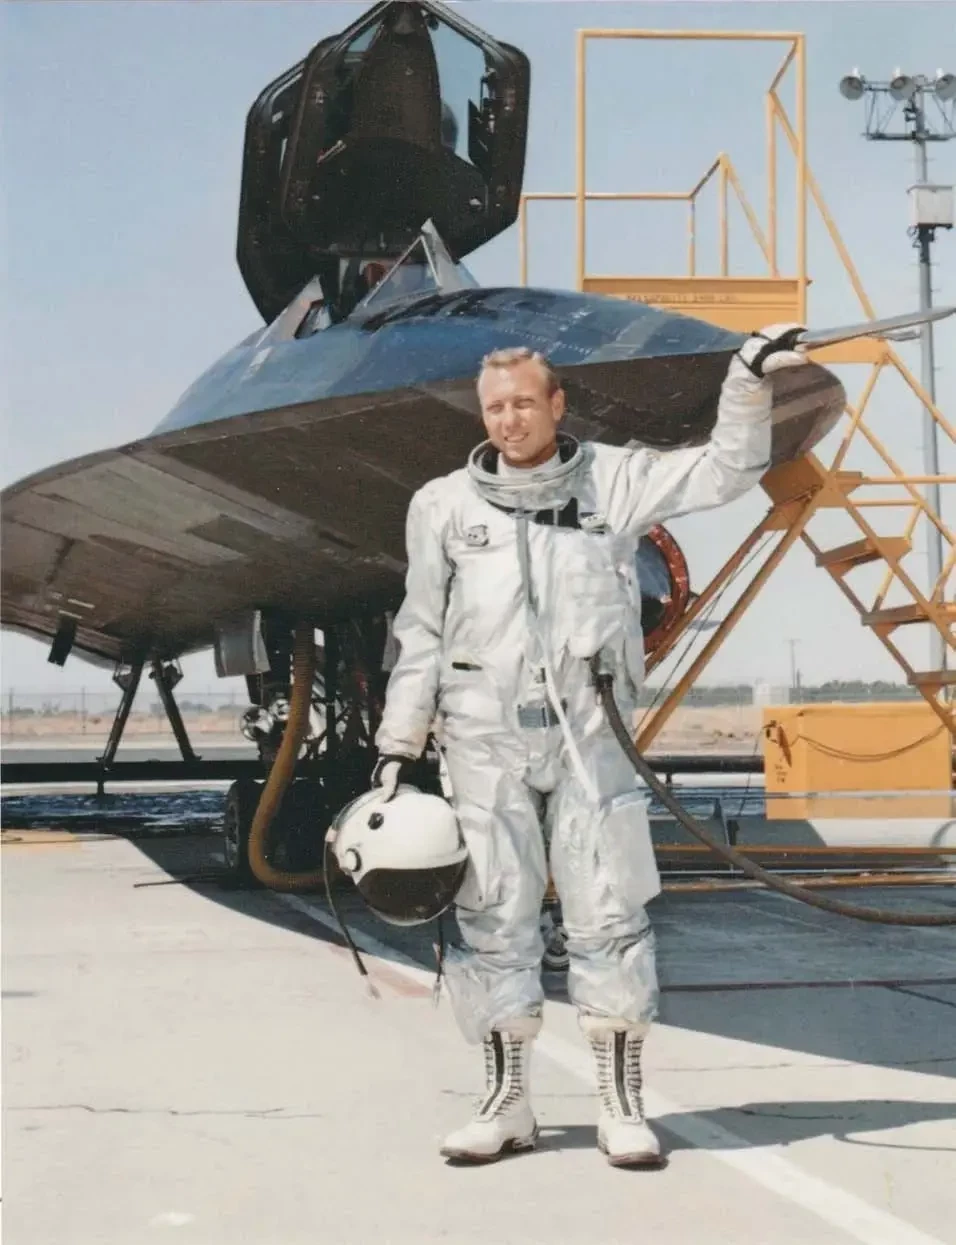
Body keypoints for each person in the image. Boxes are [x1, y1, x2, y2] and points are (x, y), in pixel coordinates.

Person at [371, 328, 809, 1166]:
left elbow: (726, 468)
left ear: (557, 404)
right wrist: (398, 741)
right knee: (493, 919)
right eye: (494, 408)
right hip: (483, 740)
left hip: (590, 736)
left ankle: (620, 1103)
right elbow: (420, 630)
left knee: (609, 914)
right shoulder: (444, 506)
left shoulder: (615, 479)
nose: (509, 421)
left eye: (523, 404)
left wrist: (746, 381)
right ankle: (506, 1104)